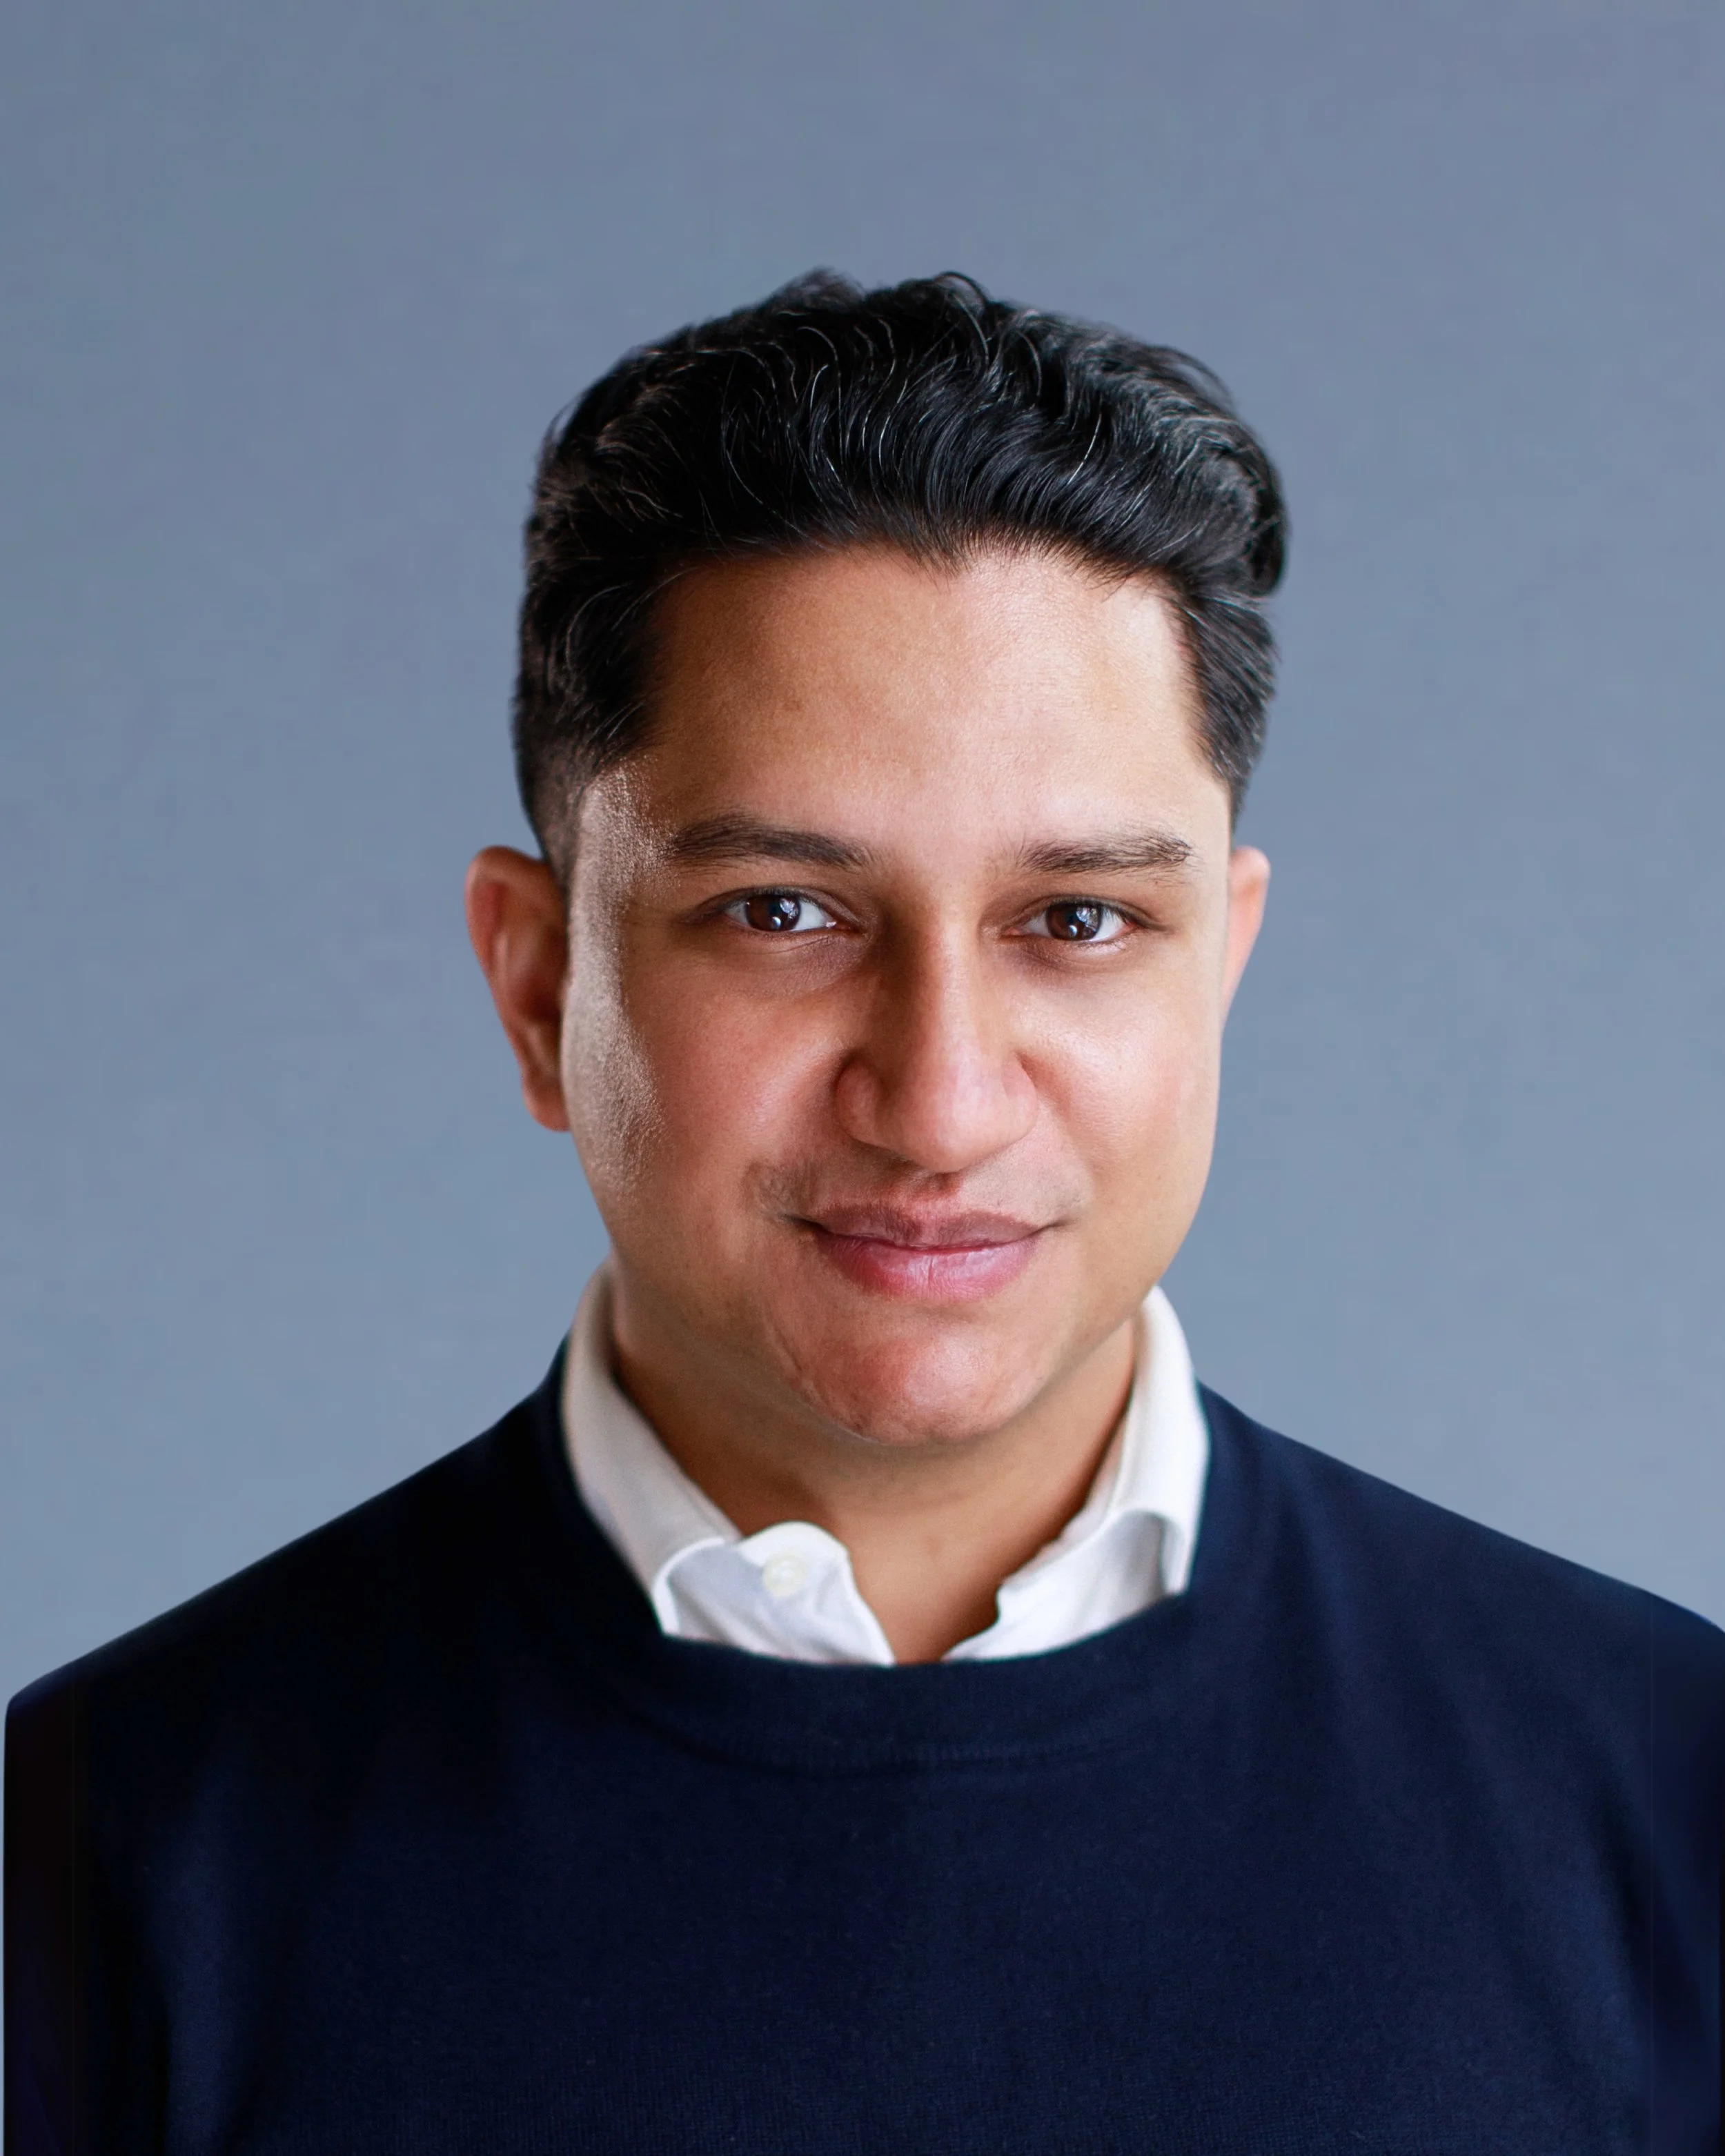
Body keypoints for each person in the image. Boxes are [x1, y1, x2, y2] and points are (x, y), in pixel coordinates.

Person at [6, 272, 1721, 2155]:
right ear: (534, 984)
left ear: (1214, 966)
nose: (939, 1099)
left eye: (1075, 921)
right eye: (784, 914)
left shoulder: (1663, 1791)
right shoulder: (96, 1856)